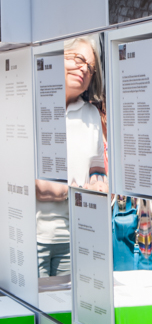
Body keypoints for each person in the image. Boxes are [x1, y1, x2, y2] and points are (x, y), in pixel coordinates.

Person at [35, 35, 109, 277]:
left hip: (74, 240)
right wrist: (63, 189)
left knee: (63, 312)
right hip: (29, 238)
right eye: (78, 58)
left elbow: (97, 169)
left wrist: (99, 183)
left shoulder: (92, 117)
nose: (84, 69)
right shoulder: (33, 106)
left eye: (90, 67)